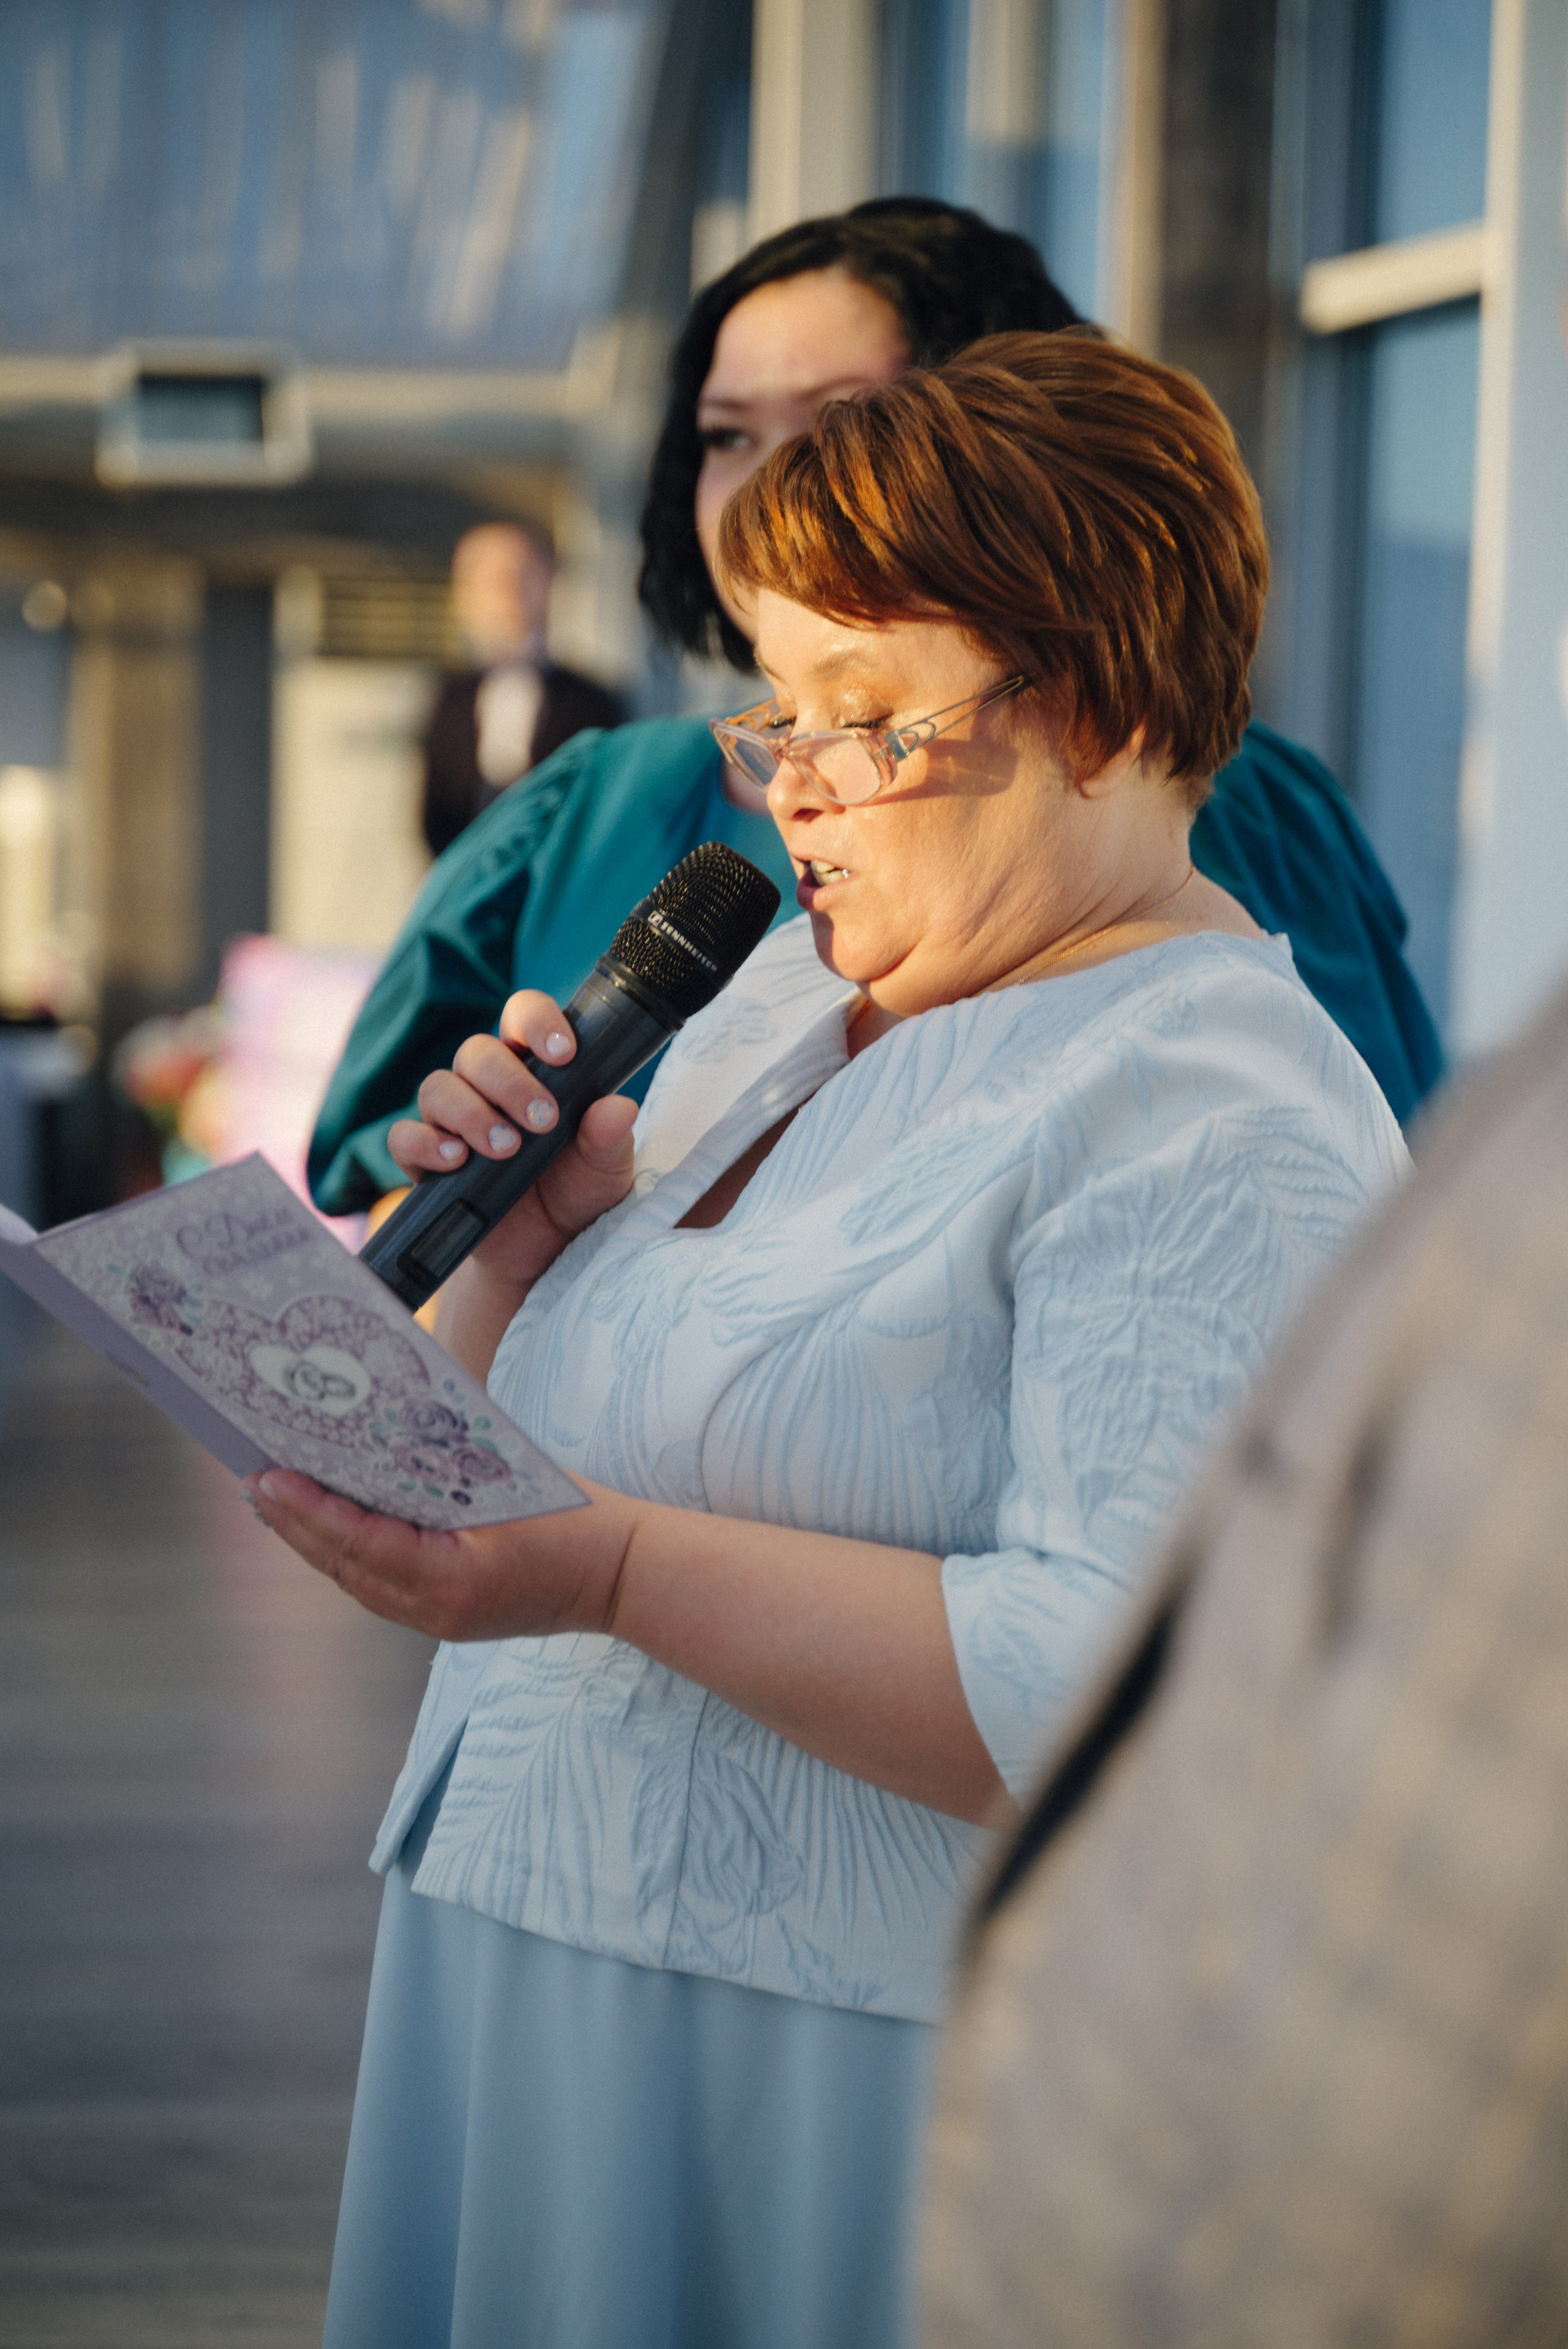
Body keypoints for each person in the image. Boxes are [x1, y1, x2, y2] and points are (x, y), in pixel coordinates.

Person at [251, 332, 1408, 2348]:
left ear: (1112, 704)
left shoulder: (1216, 1107)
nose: (795, 785)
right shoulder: (796, 984)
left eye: (869, 719)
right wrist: (522, 1258)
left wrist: (607, 1572)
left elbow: (1122, 1697)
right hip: (537, 1971)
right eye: (776, 714)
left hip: (839, 2081)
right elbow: (602, 1433)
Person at [306, 198, 1441, 1225]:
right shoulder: (589, 810)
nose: (774, 485)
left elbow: (1367, 1210)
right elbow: (385, 1191)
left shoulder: (1227, 835)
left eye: (847, 420)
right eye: (727, 436)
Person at [420, 522, 625, 858]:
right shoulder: (448, 701)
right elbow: (435, 818)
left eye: (520, 571)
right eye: (484, 577)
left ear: (549, 580)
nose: (506, 588)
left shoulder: (595, 704)